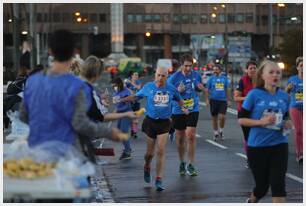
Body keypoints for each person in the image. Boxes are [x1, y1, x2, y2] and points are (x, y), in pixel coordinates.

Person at [19, 29, 125, 153]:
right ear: (73, 53)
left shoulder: (32, 81)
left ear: (50, 51)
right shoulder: (78, 86)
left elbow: (23, 116)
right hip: (68, 154)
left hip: (38, 151)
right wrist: (109, 132)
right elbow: (80, 124)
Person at [121, 67, 187, 191]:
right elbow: (136, 97)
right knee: (149, 154)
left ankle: (159, 178)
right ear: (155, 75)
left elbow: (179, 99)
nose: (160, 78)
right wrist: (123, 99)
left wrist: (183, 108)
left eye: (163, 76)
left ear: (167, 77)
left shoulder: (171, 88)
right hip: (150, 122)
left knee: (161, 150)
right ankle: (147, 166)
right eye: (159, 75)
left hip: (164, 123)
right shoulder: (148, 87)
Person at [238, 60, 291, 203]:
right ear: (262, 75)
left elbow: (286, 117)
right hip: (257, 147)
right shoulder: (254, 95)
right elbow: (241, 119)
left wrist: (287, 124)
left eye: (278, 72)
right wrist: (262, 122)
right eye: (271, 72)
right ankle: (253, 200)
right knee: (262, 187)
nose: (276, 75)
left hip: (279, 145)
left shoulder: (285, 96)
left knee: (278, 185)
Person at [167, 54, 205, 177]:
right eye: (186, 66)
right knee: (180, 138)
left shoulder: (196, 75)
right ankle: (182, 162)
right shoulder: (173, 78)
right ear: (181, 65)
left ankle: (191, 164)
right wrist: (178, 91)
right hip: (178, 110)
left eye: (191, 66)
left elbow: (199, 88)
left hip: (193, 108)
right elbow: (168, 94)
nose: (189, 68)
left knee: (191, 135)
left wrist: (200, 88)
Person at [234, 60, 257, 168]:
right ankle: (250, 159)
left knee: (258, 136)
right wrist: (248, 98)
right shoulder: (242, 81)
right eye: (250, 68)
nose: (252, 70)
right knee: (249, 137)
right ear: (246, 70)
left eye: (254, 68)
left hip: (258, 113)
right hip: (244, 113)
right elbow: (236, 97)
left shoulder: (261, 81)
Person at [205, 64, 231, 141]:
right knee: (214, 118)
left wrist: (229, 100)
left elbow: (228, 89)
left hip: (223, 100)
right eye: (214, 69)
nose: (215, 71)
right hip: (213, 100)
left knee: (222, 117)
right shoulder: (211, 79)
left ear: (220, 70)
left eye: (216, 69)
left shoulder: (225, 79)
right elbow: (207, 89)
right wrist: (207, 99)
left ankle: (221, 130)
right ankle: (216, 133)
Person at [285, 56, 303, 164]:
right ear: (297, 67)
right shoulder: (292, 79)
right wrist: (288, 88)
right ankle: (299, 153)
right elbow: (286, 92)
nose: (303, 68)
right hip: (295, 106)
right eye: (301, 66)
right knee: (299, 130)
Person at [125, 71, 142, 138]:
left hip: (136, 102)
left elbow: (139, 88)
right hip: (129, 102)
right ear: (131, 76)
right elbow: (123, 88)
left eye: (137, 75)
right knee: (130, 118)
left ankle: (134, 132)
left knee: (136, 118)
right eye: (135, 75)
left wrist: (131, 82)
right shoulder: (127, 82)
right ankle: (132, 129)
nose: (136, 76)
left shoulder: (138, 82)